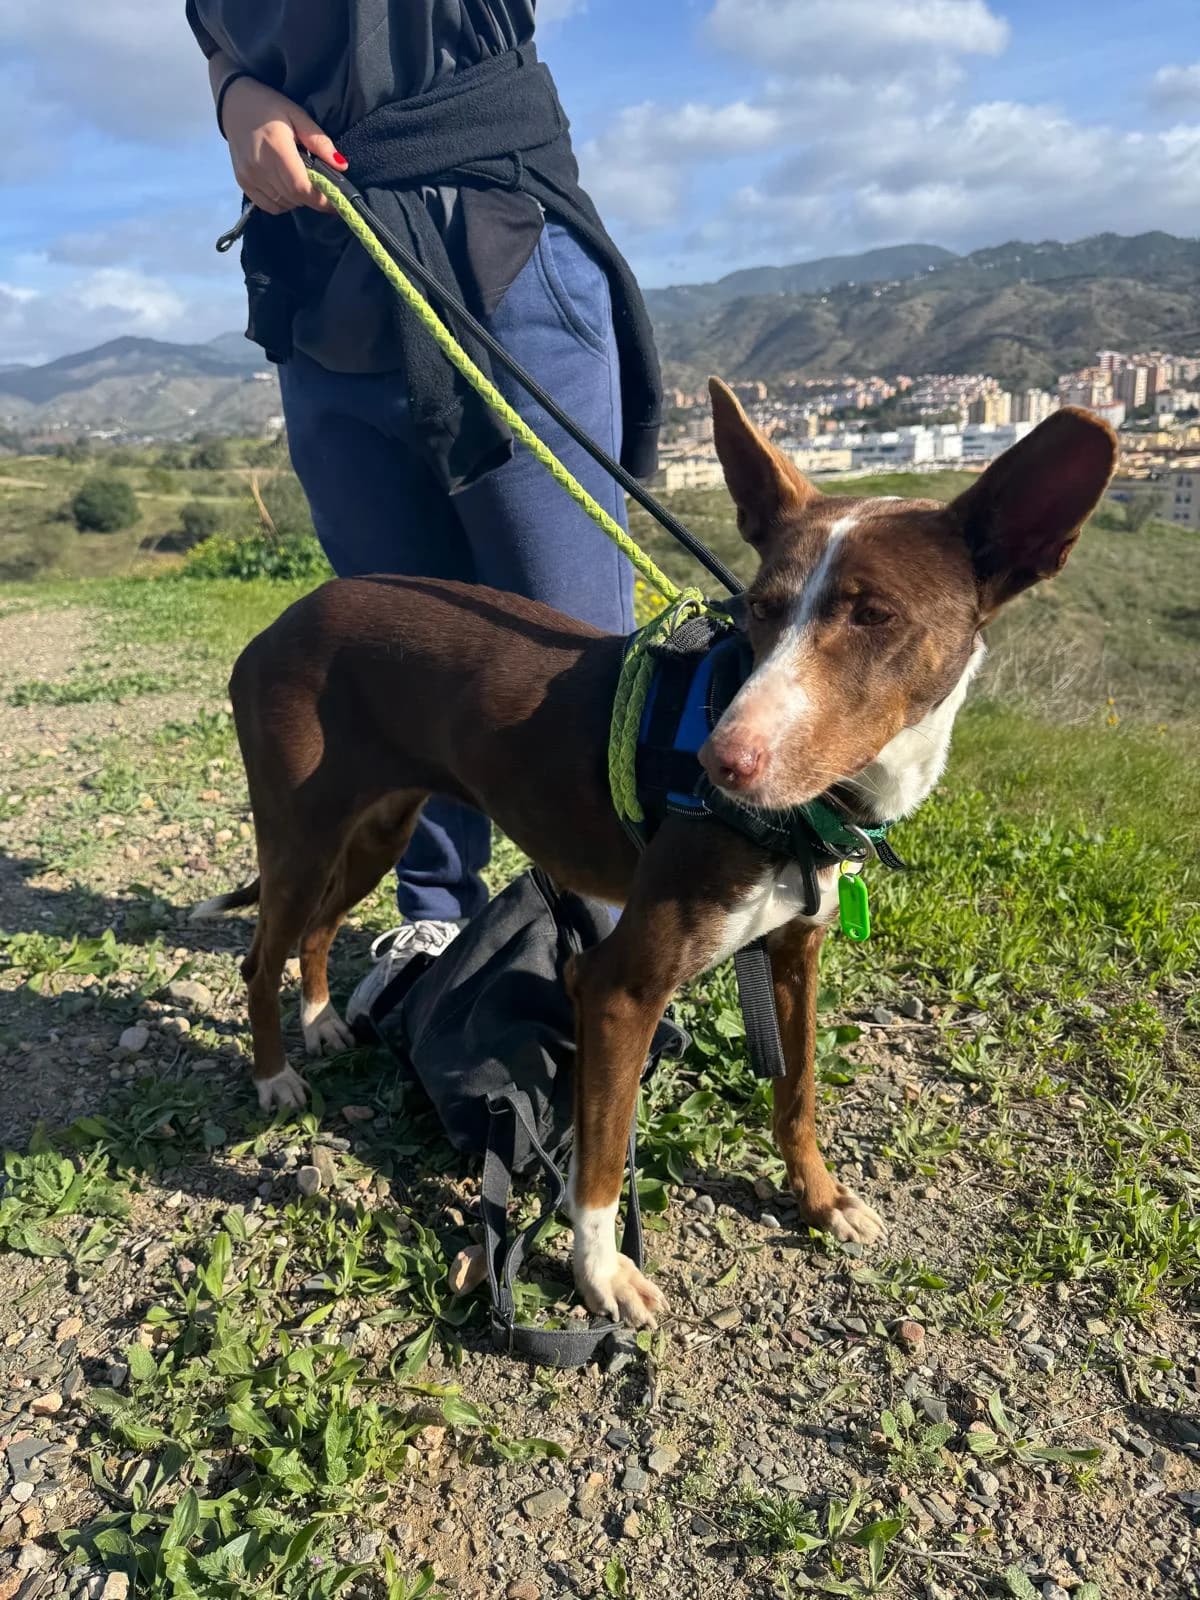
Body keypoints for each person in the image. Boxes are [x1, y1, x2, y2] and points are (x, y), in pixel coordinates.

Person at [186, 3, 661, 1021]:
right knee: (399, 664)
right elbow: (224, 30)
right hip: (324, 295)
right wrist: (234, 96)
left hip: (498, 240)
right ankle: (436, 913)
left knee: (574, 659)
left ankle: (607, 930)